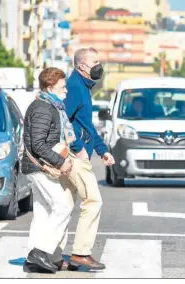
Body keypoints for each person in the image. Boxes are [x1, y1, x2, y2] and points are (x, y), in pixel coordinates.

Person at [62, 47, 115, 270]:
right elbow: (62, 118)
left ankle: (53, 253)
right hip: (76, 155)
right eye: (94, 61)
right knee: (93, 201)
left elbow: (86, 125)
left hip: (79, 153)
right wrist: (77, 146)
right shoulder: (75, 86)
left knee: (64, 205)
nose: (98, 65)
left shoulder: (82, 87)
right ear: (82, 66)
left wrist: (102, 149)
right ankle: (81, 253)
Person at [21, 67, 75, 274]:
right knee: (63, 207)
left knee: (43, 212)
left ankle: (32, 258)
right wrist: (61, 162)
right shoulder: (44, 108)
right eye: (62, 86)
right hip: (40, 166)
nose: (66, 91)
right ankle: (41, 251)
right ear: (50, 87)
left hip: (39, 166)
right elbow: (38, 144)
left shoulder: (48, 105)